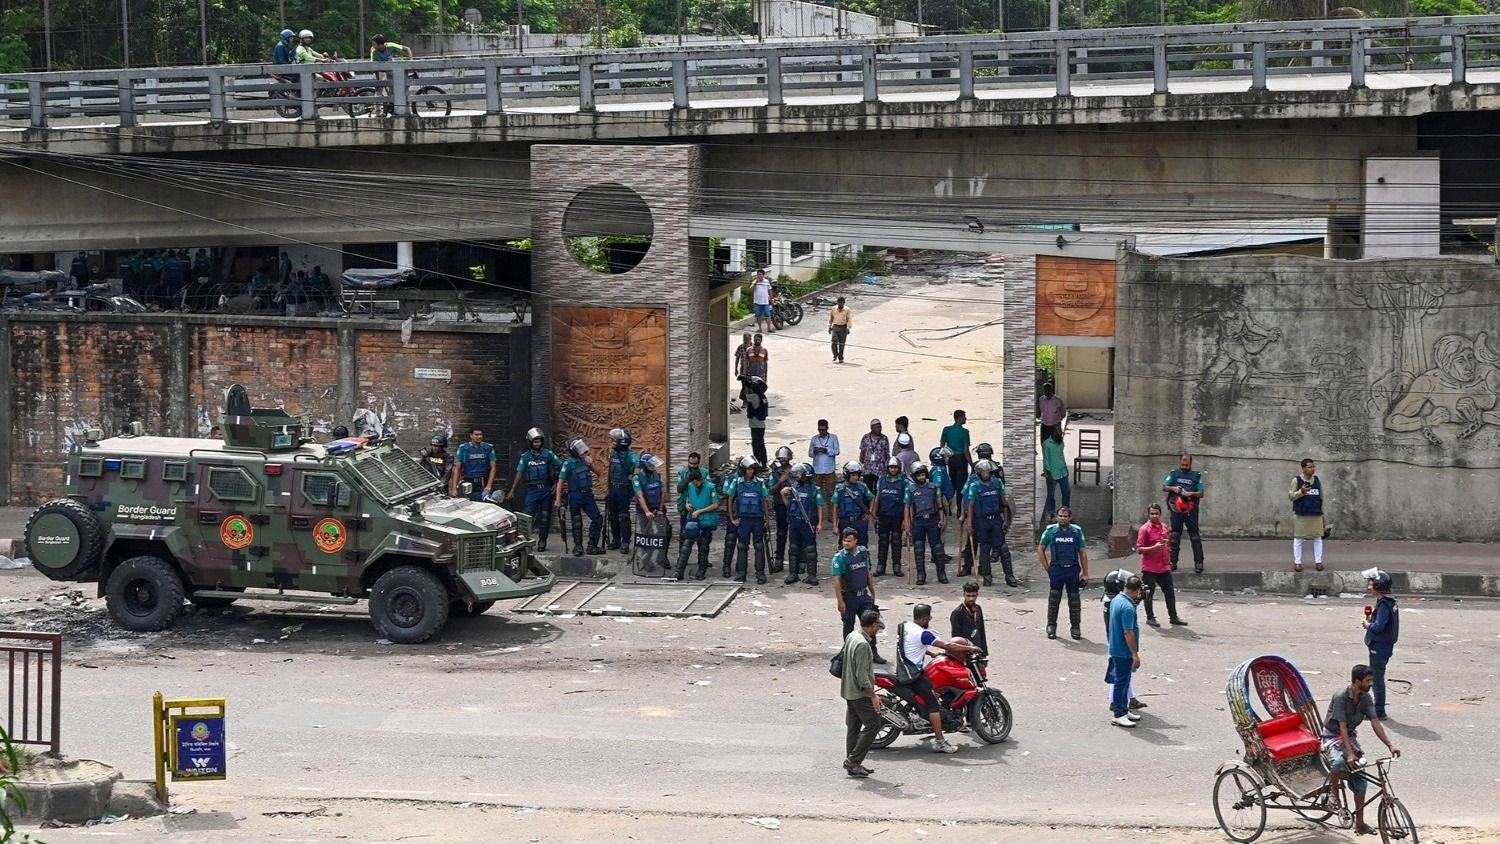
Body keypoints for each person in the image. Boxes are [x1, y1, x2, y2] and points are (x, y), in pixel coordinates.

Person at [1322, 664, 1401, 835]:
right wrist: (1349, 753)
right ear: (1357, 682)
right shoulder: (1341, 697)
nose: (1372, 683)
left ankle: (1360, 823)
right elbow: (1342, 727)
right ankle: (1333, 795)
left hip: (1349, 737)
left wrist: (1390, 745)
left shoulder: (1366, 698)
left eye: (1372, 680)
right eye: (1368, 680)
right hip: (1333, 737)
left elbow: (1375, 722)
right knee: (1337, 762)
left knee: (1361, 781)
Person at [894, 605, 978, 754]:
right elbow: (948, 645)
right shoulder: (924, 634)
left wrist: (931, 654)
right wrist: (969, 649)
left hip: (902, 669)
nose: (930, 619)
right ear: (925, 618)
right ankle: (940, 742)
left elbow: (910, 645)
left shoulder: (906, 626)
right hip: (912, 675)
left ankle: (927, 721)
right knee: (933, 703)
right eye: (929, 617)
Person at [840, 608, 883, 778]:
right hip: (859, 693)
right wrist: (873, 696)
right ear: (872, 626)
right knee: (873, 725)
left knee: (854, 727)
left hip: (848, 689)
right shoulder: (864, 645)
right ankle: (853, 760)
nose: (878, 628)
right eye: (878, 625)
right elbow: (863, 676)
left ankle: (853, 763)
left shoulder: (852, 636)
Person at [832, 528, 884, 664]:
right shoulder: (840, 558)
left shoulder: (863, 553)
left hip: (863, 596)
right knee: (848, 626)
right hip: (849, 597)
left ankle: (874, 653)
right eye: (844, 540)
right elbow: (836, 581)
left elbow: (867, 573)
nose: (846, 543)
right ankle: (849, 654)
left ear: (856, 541)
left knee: (871, 623)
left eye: (849, 541)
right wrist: (840, 601)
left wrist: (872, 593)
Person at [1038, 506, 1090, 640]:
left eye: (1065, 516)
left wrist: (1085, 573)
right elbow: (1041, 549)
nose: (1062, 518)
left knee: (1074, 601)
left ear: (1070, 518)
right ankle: (1051, 626)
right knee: (1054, 599)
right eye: (1060, 516)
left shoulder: (1077, 531)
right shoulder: (1050, 531)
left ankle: (1075, 628)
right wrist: (1047, 568)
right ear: (1056, 517)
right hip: (1056, 569)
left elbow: (1083, 552)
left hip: (1072, 569)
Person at [507, 428, 562, 552]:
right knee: (527, 516)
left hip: (546, 490)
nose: (537, 444)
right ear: (530, 442)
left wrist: (557, 483)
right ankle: (524, 541)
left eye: (539, 442)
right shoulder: (525, 457)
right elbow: (519, 472)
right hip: (532, 490)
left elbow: (561, 466)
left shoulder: (548, 454)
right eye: (535, 442)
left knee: (545, 516)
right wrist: (512, 490)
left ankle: (542, 541)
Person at [964, 460, 1014, 588]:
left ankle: (1009, 576)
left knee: (1003, 548)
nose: (986, 474)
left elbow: (1003, 502)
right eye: (983, 472)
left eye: (988, 472)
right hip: (982, 520)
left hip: (996, 519)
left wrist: (1006, 519)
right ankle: (987, 576)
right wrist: (969, 524)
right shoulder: (975, 486)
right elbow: (970, 506)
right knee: (985, 548)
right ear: (979, 473)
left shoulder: (997, 483)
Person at [1137, 504, 1186, 628]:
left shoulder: (1164, 527)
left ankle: (1173, 616)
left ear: (1160, 514)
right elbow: (1139, 549)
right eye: (1152, 513)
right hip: (1150, 567)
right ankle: (1150, 617)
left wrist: (1168, 557)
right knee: (1148, 593)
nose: (1154, 516)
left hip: (1164, 566)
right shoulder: (1144, 529)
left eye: (1156, 513)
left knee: (1169, 592)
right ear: (1148, 515)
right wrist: (1154, 547)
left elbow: (1167, 545)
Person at [555, 438, 605, 556]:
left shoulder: (586, 461)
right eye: (580, 449)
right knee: (576, 521)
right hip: (575, 495)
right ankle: (578, 547)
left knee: (597, 519)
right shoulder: (568, 464)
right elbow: (560, 481)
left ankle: (592, 546)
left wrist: (591, 463)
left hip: (587, 495)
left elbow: (599, 472)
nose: (583, 451)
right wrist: (558, 499)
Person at [1106, 574, 1144, 728]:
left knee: (1125, 681)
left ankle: (1123, 709)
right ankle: (1118, 715)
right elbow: (1128, 632)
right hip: (1123, 651)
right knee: (1121, 682)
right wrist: (1135, 654)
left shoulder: (1116, 600)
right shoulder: (1128, 607)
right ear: (1137, 590)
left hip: (1116, 647)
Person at [1362, 568, 1399, 721]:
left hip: (1380, 647)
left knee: (1377, 679)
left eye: (1371, 584)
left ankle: (1379, 710)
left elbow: (1379, 627)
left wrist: (1367, 625)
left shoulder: (1384, 604)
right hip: (1383, 646)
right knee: (1376, 677)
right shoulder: (1388, 602)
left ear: (1378, 586)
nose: (1369, 587)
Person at [729, 457, 772, 584]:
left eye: (752, 469)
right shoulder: (737, 482)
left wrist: (767, 518)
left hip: (757, 519)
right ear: (743, 470)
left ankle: (760, 574)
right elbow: (730, 499)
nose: (750, 472)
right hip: (744, 520)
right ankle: (741, 573)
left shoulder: (760, 482)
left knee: (759, 546)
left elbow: (765, 500)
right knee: (742, 546)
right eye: (748, 469)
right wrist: (732, 518)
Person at [780, 462, 823, 585]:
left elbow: (820, 506)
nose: (797, 476)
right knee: (793, 548)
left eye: (800, 473)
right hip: (794, 522)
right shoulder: (793, 488)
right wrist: (783, 495)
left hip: (808, 522)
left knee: (810, 549)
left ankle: (812, 575)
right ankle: (793, 574)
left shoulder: (814, 489)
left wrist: (820, 523)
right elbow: (789, 506)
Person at [672, 468, 719, 581]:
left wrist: (700, 511)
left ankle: (701, 570)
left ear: (700, 479)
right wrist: (687, 504)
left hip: (705, 521)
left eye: (696, 482)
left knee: (703, 547)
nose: (695, 484)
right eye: (693, 482)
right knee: (686, 546)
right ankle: (679, 571)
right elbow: (687, 496)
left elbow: (715, 505)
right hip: (692, 520)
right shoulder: (690, 486)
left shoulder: (710, 487)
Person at [1162, 454, 1206, 574]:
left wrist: (1190, 493)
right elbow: (1164, 487)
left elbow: (1201, 493)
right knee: (1175, 537)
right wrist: (1173, 489)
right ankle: (1172, 562)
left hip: (1190, 511)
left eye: (1186, 465)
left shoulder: (1196, 476)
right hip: (1176, 510)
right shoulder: (1173, 473)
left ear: (1191, 464)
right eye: (1182, 464)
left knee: (1195, 537)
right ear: (1179, 463)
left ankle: (1199, 562)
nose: (1184, 466)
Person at [906, 462, 947, 586]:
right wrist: (907, 524)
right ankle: (921, 574)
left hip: (932, 520)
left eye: (923, 475)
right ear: (914, 477)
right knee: (919, 550)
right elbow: (907, 507)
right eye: (918, 476)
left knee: (938, 549)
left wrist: (941, 519)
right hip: (918, 522)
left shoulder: (933, 487)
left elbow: (940, 504)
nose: (921, 478)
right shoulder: (910, 489)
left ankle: (941, 573)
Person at [605, 428, 640, 554]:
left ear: (622, 442)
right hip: (613, 488)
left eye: (614, 440)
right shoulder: (612, 453)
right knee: (612, 515)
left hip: (623, 488)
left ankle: (626, 541)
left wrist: (635, 479)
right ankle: (616, 540)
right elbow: (610, 471)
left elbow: (638, 465)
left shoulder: (631, 455)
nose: (612, 442)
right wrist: (607, 488)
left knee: (623, 515)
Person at [873, 457, 909, 578]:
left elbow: (907, 503)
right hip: (883, 516)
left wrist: (906, 520)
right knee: (882, 541)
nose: (893, 469)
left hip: (897, 516)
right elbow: (877, 498)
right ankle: (881, 566)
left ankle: (896, 566)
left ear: (899, 469)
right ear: (887, 468)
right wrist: (874, 515)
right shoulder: (882, 480)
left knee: (896, 541)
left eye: (895, 467)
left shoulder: (904, 482)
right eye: (891, 467)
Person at [1289, 457, 1325, 572]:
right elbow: (1291, 496)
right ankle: (1297, 563)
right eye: (1310, 467)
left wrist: (1322, 514)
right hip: (1301, 514)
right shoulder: (1296, 480)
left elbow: (1321, 497)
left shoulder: (1318, 480)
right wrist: (1301, 492)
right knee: (1298, 539)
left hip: (1315, 513)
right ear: (1303, 468)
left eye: (1313, 467)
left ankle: (1318, 562)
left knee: (1318, 538)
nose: (1312, 469)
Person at [631, 453, 668, 552]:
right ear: (644, 465)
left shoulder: (658, 475)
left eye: (654, 464)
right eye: (651, 465)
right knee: (646, 533)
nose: (653, 467)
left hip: (657, 507)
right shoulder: (637, 478)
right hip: (643, 510)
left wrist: (660, 509)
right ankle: (646, 558)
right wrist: (647, 511)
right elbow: (639, 496)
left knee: (664, 532)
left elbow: (663, 492)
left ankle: (661, 557)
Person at [831, 462, 872, 548]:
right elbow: (835, 507)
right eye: (853, 475)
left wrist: (869, 513)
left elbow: (872, 498)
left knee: (862, 546)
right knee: (845, 547)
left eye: (857, 475)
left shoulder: (863, 487)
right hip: (845, 521)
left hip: (860, 521)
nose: (855, 477)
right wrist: (835, 525)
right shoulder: (839, 489)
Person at [767, 446, 795, 574]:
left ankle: (798, 562)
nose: (783, 460)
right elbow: (771, 490)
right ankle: (778, 561)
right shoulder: (775, 473)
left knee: (796, 535)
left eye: (785, 457)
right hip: (780, 506)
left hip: (795, 506)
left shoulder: (795, 471)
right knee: (781, 534)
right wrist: (781, 481)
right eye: (780, 458)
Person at [450, 427, 497, 501]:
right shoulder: (463, 448)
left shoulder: (488, 448)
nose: (479, 437)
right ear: (471, 435)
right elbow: (457, 469)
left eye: (481, 435)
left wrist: (489, 486)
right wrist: (454, 489)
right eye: (476, 435)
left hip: (482, 481)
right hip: (467, 481)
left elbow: (493, 468)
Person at [949, 582, 988, 656]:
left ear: (977, 595)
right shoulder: (957, 613)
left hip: (978, 649)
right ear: (964, 595)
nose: (971, 598)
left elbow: (982, 632)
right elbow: (955, 637)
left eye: (973, 596)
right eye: (968, 596)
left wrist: (984, 653)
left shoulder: (978, 608)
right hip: (965, 652)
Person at [808, 419, 841, 505]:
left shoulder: (833, 438)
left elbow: (837, 451)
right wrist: (816, 451)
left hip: (829, 470)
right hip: (817, 470)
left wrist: (827, 450)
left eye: (823, 430)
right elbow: (810, 454)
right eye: (819, 430)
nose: (821, 432)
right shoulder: (814, 439)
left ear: (827, 428)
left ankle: (831, 516)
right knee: (817, 493)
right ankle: (819, 515)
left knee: (831, 494)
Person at [1041, 427, 1071, 522]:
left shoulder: (1060, 442)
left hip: (1063, 471)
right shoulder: (1046, 444)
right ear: (1053, 432)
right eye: (1059, 431)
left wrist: (1065, 467)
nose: (1061, 433)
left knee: (1066, 492)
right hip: (1052, 473)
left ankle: (1066, 512)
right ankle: (1051, 513)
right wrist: (1048, 473)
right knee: (1051, 495)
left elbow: (1061, 456)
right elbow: (1046, 460)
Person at [941, 410, 972, 495]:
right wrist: (971, 464)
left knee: (953, 482)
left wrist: (945, 456)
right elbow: (966, 450)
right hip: (961, 459)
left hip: (951, 458)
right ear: (960, 418)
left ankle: (951, 502)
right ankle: (959, 506)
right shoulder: (965, 432)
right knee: (961, 485)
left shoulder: (946, 430)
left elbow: (942, 444)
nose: (966, 419)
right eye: (964, 417)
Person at [741, 375, 769, 467]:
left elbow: (742, 396)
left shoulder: (754, 397)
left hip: (756, 425)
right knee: (760, 444)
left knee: (757, 445)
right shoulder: (762, 396)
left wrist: (745, 384)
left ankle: (759, 463)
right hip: (761, 424)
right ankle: (763, 463)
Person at [858, 419, 890, 493]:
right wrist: (861, 464)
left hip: (880, 469)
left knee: (878, 489)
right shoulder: (865, 437)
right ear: (872, 428)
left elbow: (886, 454)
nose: (880, 429)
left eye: (880, 427)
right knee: (867, 489)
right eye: (877, 427)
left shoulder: (884, 438)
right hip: (868, 469)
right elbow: (862, 451)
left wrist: (887, 467)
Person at [750, 268, 774, 334]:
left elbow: (769, 290)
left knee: (767, 315)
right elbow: (751, 289)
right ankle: (760, 328)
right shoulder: (755, 281)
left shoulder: (766, 281)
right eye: (758, 274)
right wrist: (756, 282)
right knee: (758, 315)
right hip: (757, 302)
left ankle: (769, 328)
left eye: (760, 274)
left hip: (765, 301)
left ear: (763, 275)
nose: (759, 276)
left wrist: (771, 299)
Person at [828, 295, 851, 362]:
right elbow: (831, 317)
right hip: (835, 327)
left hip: (843, 327)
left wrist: (848, 327)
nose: (840, 304)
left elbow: (849, 319)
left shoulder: (847, 310)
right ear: (837, 302)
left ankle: (840, 357)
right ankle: (835, 355)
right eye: (839, 303)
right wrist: (829, 326)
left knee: (842, 343)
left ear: (844, 303)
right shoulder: (833, 309)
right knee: (834, 342)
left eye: (842, 303)